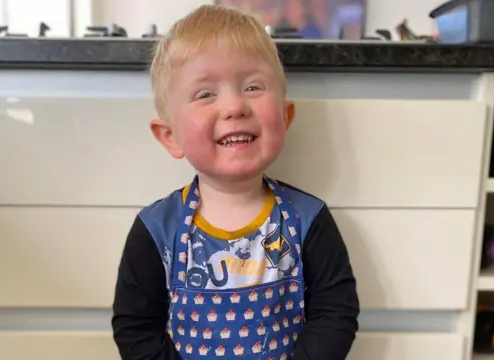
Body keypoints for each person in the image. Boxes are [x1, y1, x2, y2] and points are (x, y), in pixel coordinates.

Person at [111, 4, 359, 359]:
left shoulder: (308, 218)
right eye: (205, 94)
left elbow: (336, 314)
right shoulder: (156, 229)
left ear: (285, 116)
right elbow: (136, 328)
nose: (234, 106)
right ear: (170, 137)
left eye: (253, 87)